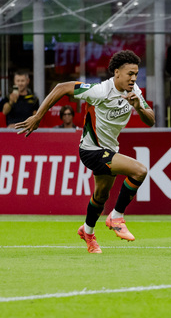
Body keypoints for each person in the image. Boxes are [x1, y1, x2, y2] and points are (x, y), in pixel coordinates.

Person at [15, 50, 155, 254]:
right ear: (116, 72)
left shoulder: (135, 92)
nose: (133, 78)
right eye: (129, 74)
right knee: (139, 171)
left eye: (135, 73)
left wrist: (139, 108)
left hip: (109, 149)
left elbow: (151, 121)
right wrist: (38, 117)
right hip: (91, 150)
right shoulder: (99, 90)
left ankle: (87, 233)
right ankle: (116, 216)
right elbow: (61, 88)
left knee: (101, 195)